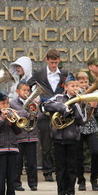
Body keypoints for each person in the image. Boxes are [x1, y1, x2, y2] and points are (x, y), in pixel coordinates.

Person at [43, 74, 87, 195]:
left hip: (73, 138)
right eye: (72, 86)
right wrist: (63, 107)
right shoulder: (58, 97)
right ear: (66, 87)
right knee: (60, 166)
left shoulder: (80, 101)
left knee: (71, 166)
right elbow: (46, 105)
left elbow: (82, 120)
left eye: (77, 86)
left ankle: (71, 191)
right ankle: (61, 191)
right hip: (58, 138)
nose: (75, 88)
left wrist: (75, 105)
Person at [26, 49, 66, 182]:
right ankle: (47, 172)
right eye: (52, 62)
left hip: (60, 112)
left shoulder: (64, 74)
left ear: (59, 60)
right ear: (47, 60)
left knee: (61, 143)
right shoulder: (39, 73)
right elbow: (27, 86)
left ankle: (60, 170)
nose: (54, 65)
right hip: (44, 112)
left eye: (56, 62)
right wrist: (33, 97)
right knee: (46, 144)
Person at [75, 71, 98, 192]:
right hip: (78, 128)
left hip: (91, 127)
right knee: (78, 156)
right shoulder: (75, 94)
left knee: (95, 152)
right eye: (81, 82)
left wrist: (95, 106)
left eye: (86, 82)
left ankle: (94, 179)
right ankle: (81, 180)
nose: (84, 84)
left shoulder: (94, 93)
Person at [10, 81, 39, 191]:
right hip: (19, 136)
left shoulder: (33, 103)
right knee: (18, 162)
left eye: (28, 90)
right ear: (17, 91)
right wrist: (25, 112)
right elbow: (14, 114)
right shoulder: (13, 103)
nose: (26, 92)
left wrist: (36, 110)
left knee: (32, 163)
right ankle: (16, 183)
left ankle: (33, 183)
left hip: (32, 135)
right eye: (24, 90)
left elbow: (39, 116)